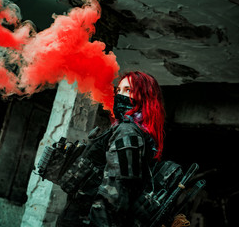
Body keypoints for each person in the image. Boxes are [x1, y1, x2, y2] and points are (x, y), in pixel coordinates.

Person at [55, 71, 165, 227]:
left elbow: (116, 193)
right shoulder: (123, 129)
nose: (120, 95)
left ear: (145, 97)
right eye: (119, 90)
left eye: (128, 90)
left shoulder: (127, 132)